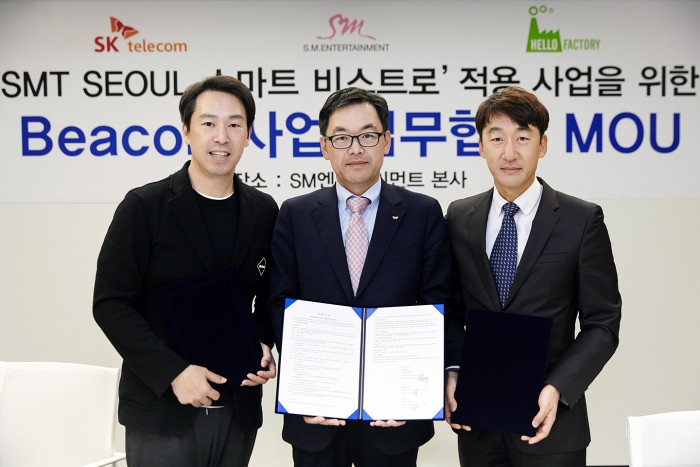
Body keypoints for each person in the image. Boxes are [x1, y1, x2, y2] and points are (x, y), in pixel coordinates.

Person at [93, 75, 279, 467]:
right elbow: (111, 303)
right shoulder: (144, 207)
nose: (221, 137)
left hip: (237, 407)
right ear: (186, 131)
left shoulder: (264, 210)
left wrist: (263, 343)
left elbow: (270, 296)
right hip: (162, 410)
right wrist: (174, 373)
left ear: (248, 135)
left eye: (234, 124)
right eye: (208, 123)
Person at [268, 87, 451, 467]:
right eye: (341, 138)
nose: (355, 148)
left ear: (386, 141)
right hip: (316, 414)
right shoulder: (295, 214)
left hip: (395, 416)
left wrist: (412, 388)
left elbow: (439, 304)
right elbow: (279, 303)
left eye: (367, 135)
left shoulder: (422, 213)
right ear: (324, 146)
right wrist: (307, 383)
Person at [444, 86, 622, 466]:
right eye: (497, 139)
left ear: (542, 145)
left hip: (552, 424)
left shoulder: (581, 220)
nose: (509, 153)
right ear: (480, 146)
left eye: (523, 138)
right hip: (478, 423)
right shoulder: (459, 217)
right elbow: (451, 310)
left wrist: (558, 387)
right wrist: (453, 369)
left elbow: (602, 323)